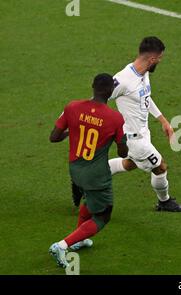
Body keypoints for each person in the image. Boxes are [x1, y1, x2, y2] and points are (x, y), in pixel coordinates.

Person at [49, 73, 128, 268]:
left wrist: (73, 130)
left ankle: (79, 240)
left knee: (89, 199)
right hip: (96, 175)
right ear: (110, 92)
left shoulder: (72, 107)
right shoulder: (115, 118)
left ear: (92, 86)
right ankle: (62, 245)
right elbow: (123, 151)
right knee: (103, 215)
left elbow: (54, 137)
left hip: (75, 170)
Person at [108, 36, 181, 212]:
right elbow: (98, 99)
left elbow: (145, 98)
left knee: (130, 164)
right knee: (160, 167)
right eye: (160, 58)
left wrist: (163, 120)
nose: (160, 61)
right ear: (152, 59)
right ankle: (164, 201)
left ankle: (86, 178)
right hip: (133, 139)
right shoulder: (122, 80)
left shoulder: (144, 73)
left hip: (144, 133)